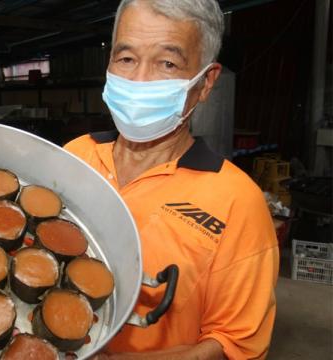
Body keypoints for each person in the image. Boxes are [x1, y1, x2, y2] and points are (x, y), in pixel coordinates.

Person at [65, 0, 279, 359]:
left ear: (206, 82)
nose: (139, 80)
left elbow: (234, 345)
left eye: (167, 63)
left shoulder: (236, 201)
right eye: (127, 58)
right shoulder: (75, 156)